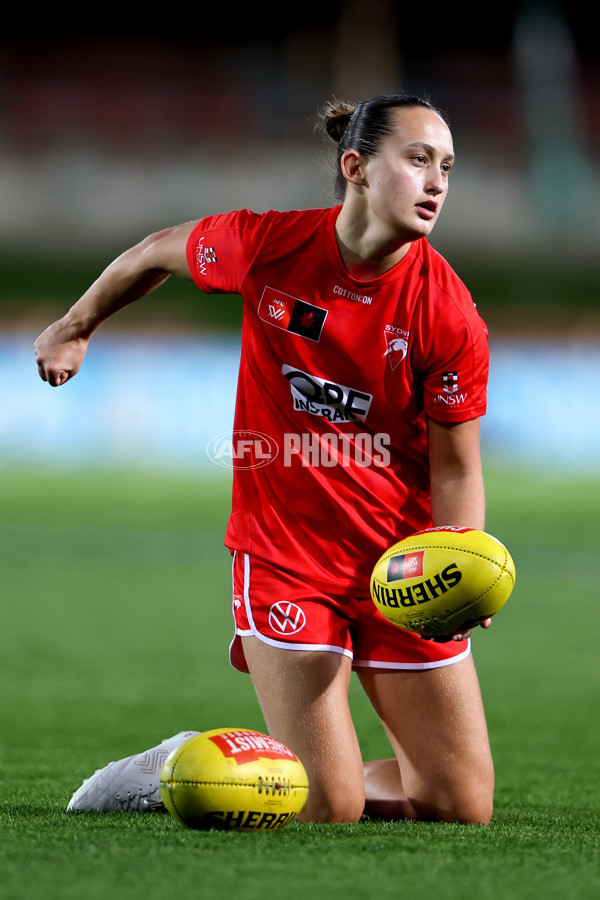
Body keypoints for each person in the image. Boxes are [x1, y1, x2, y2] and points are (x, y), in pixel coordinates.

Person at [35, 94, 495, 825]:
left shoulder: (447, 311)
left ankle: (257, 769)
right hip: (286, 554)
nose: (437, 181)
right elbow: (155, 250)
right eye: (417, 159)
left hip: (399, 567)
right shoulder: (266, 246)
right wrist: (75, 325)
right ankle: (186, 763)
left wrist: (460, 559)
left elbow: (457, 466)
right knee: (329, 807)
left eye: (446, 166)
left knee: (457, 805)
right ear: (357, 168)